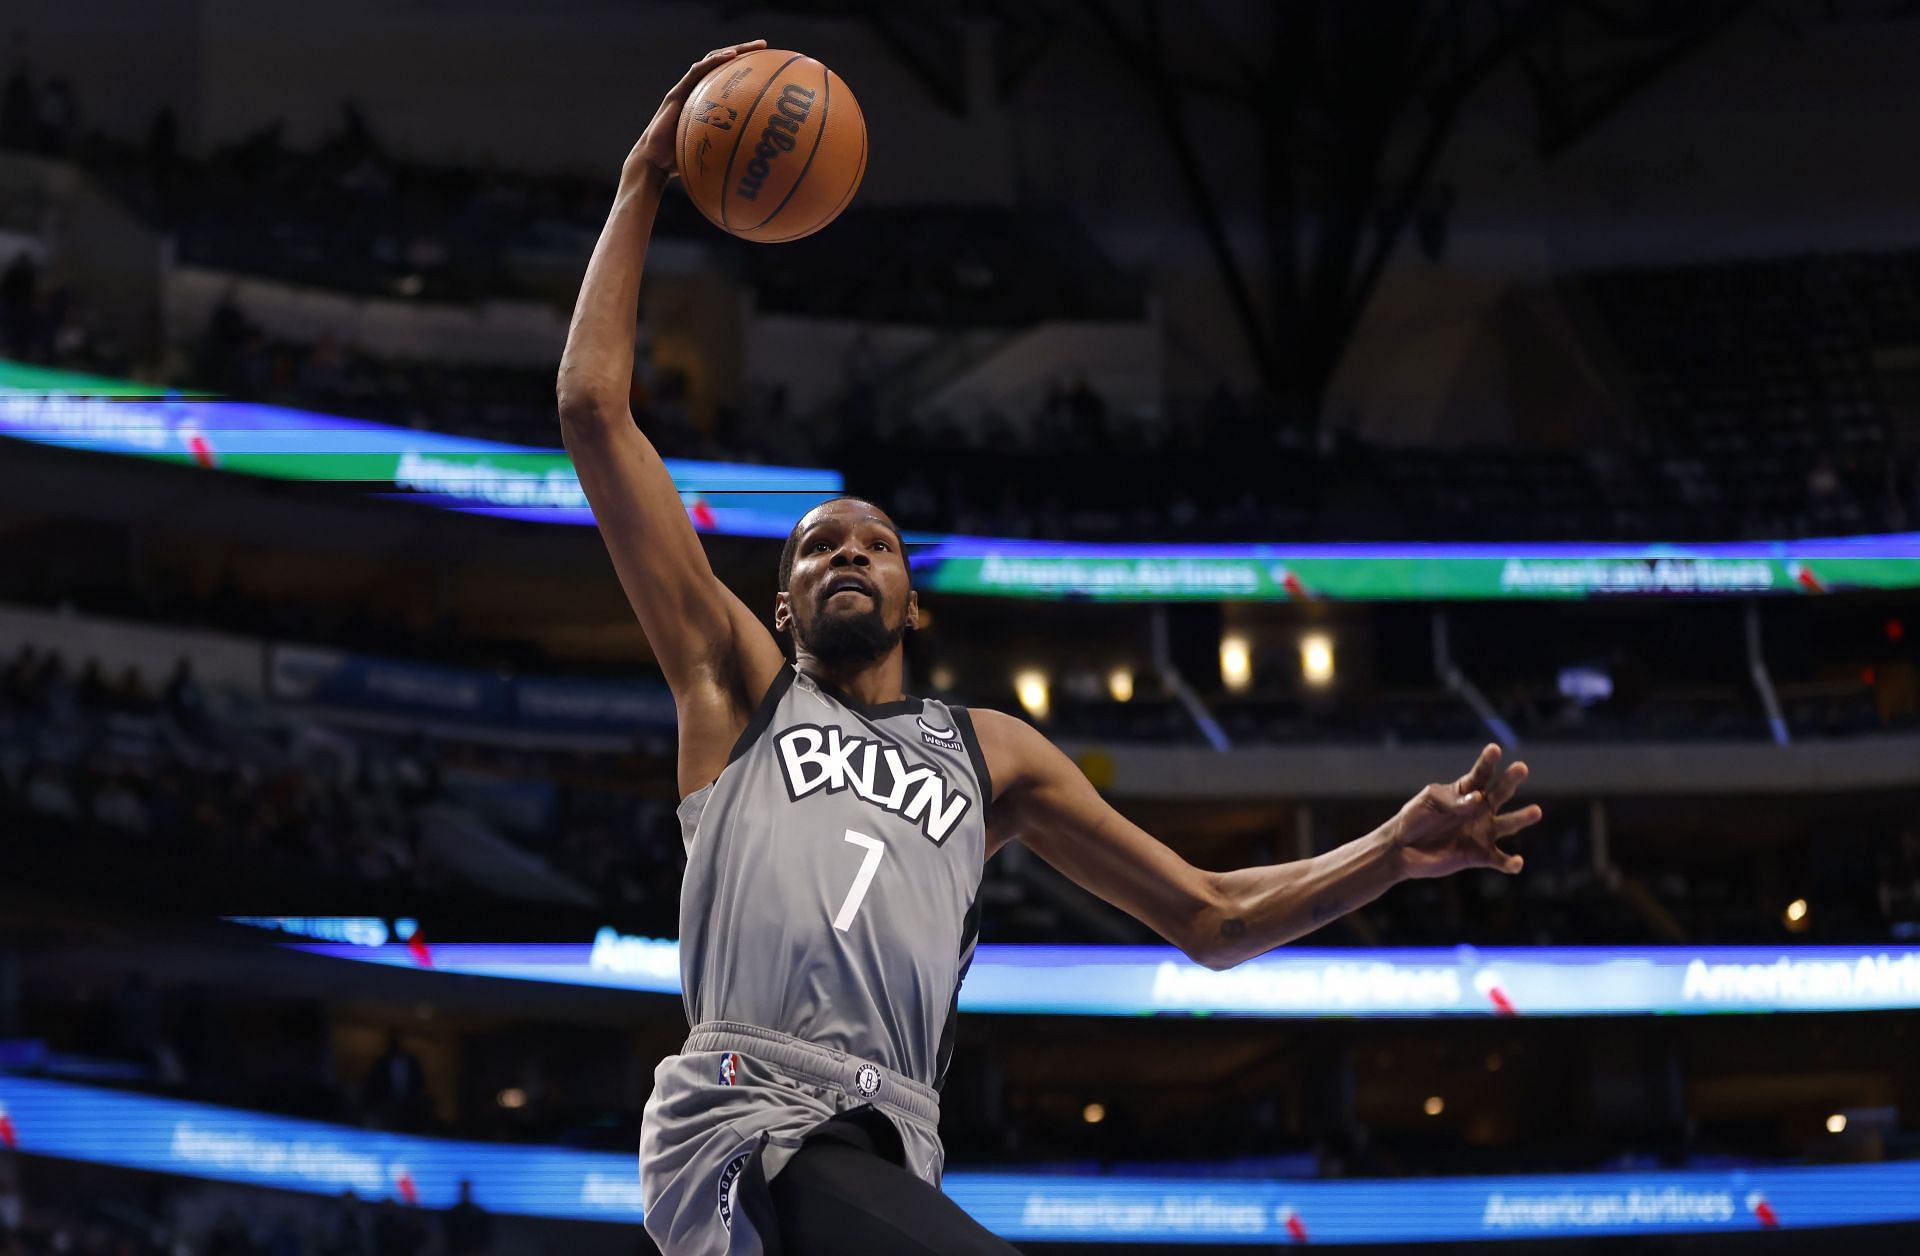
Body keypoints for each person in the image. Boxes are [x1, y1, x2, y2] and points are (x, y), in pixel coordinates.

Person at [557, 40, 1544, 1256]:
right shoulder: (736, 688)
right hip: (748, 1116)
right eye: (818, 547)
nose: (849, 554)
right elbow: (593, 414)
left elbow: (1211, 914)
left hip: (892, 1137)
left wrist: (1392, 852)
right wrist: (645, 178)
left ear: (915, 602)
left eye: (875, 543)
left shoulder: (994, 755)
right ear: (780, 605)